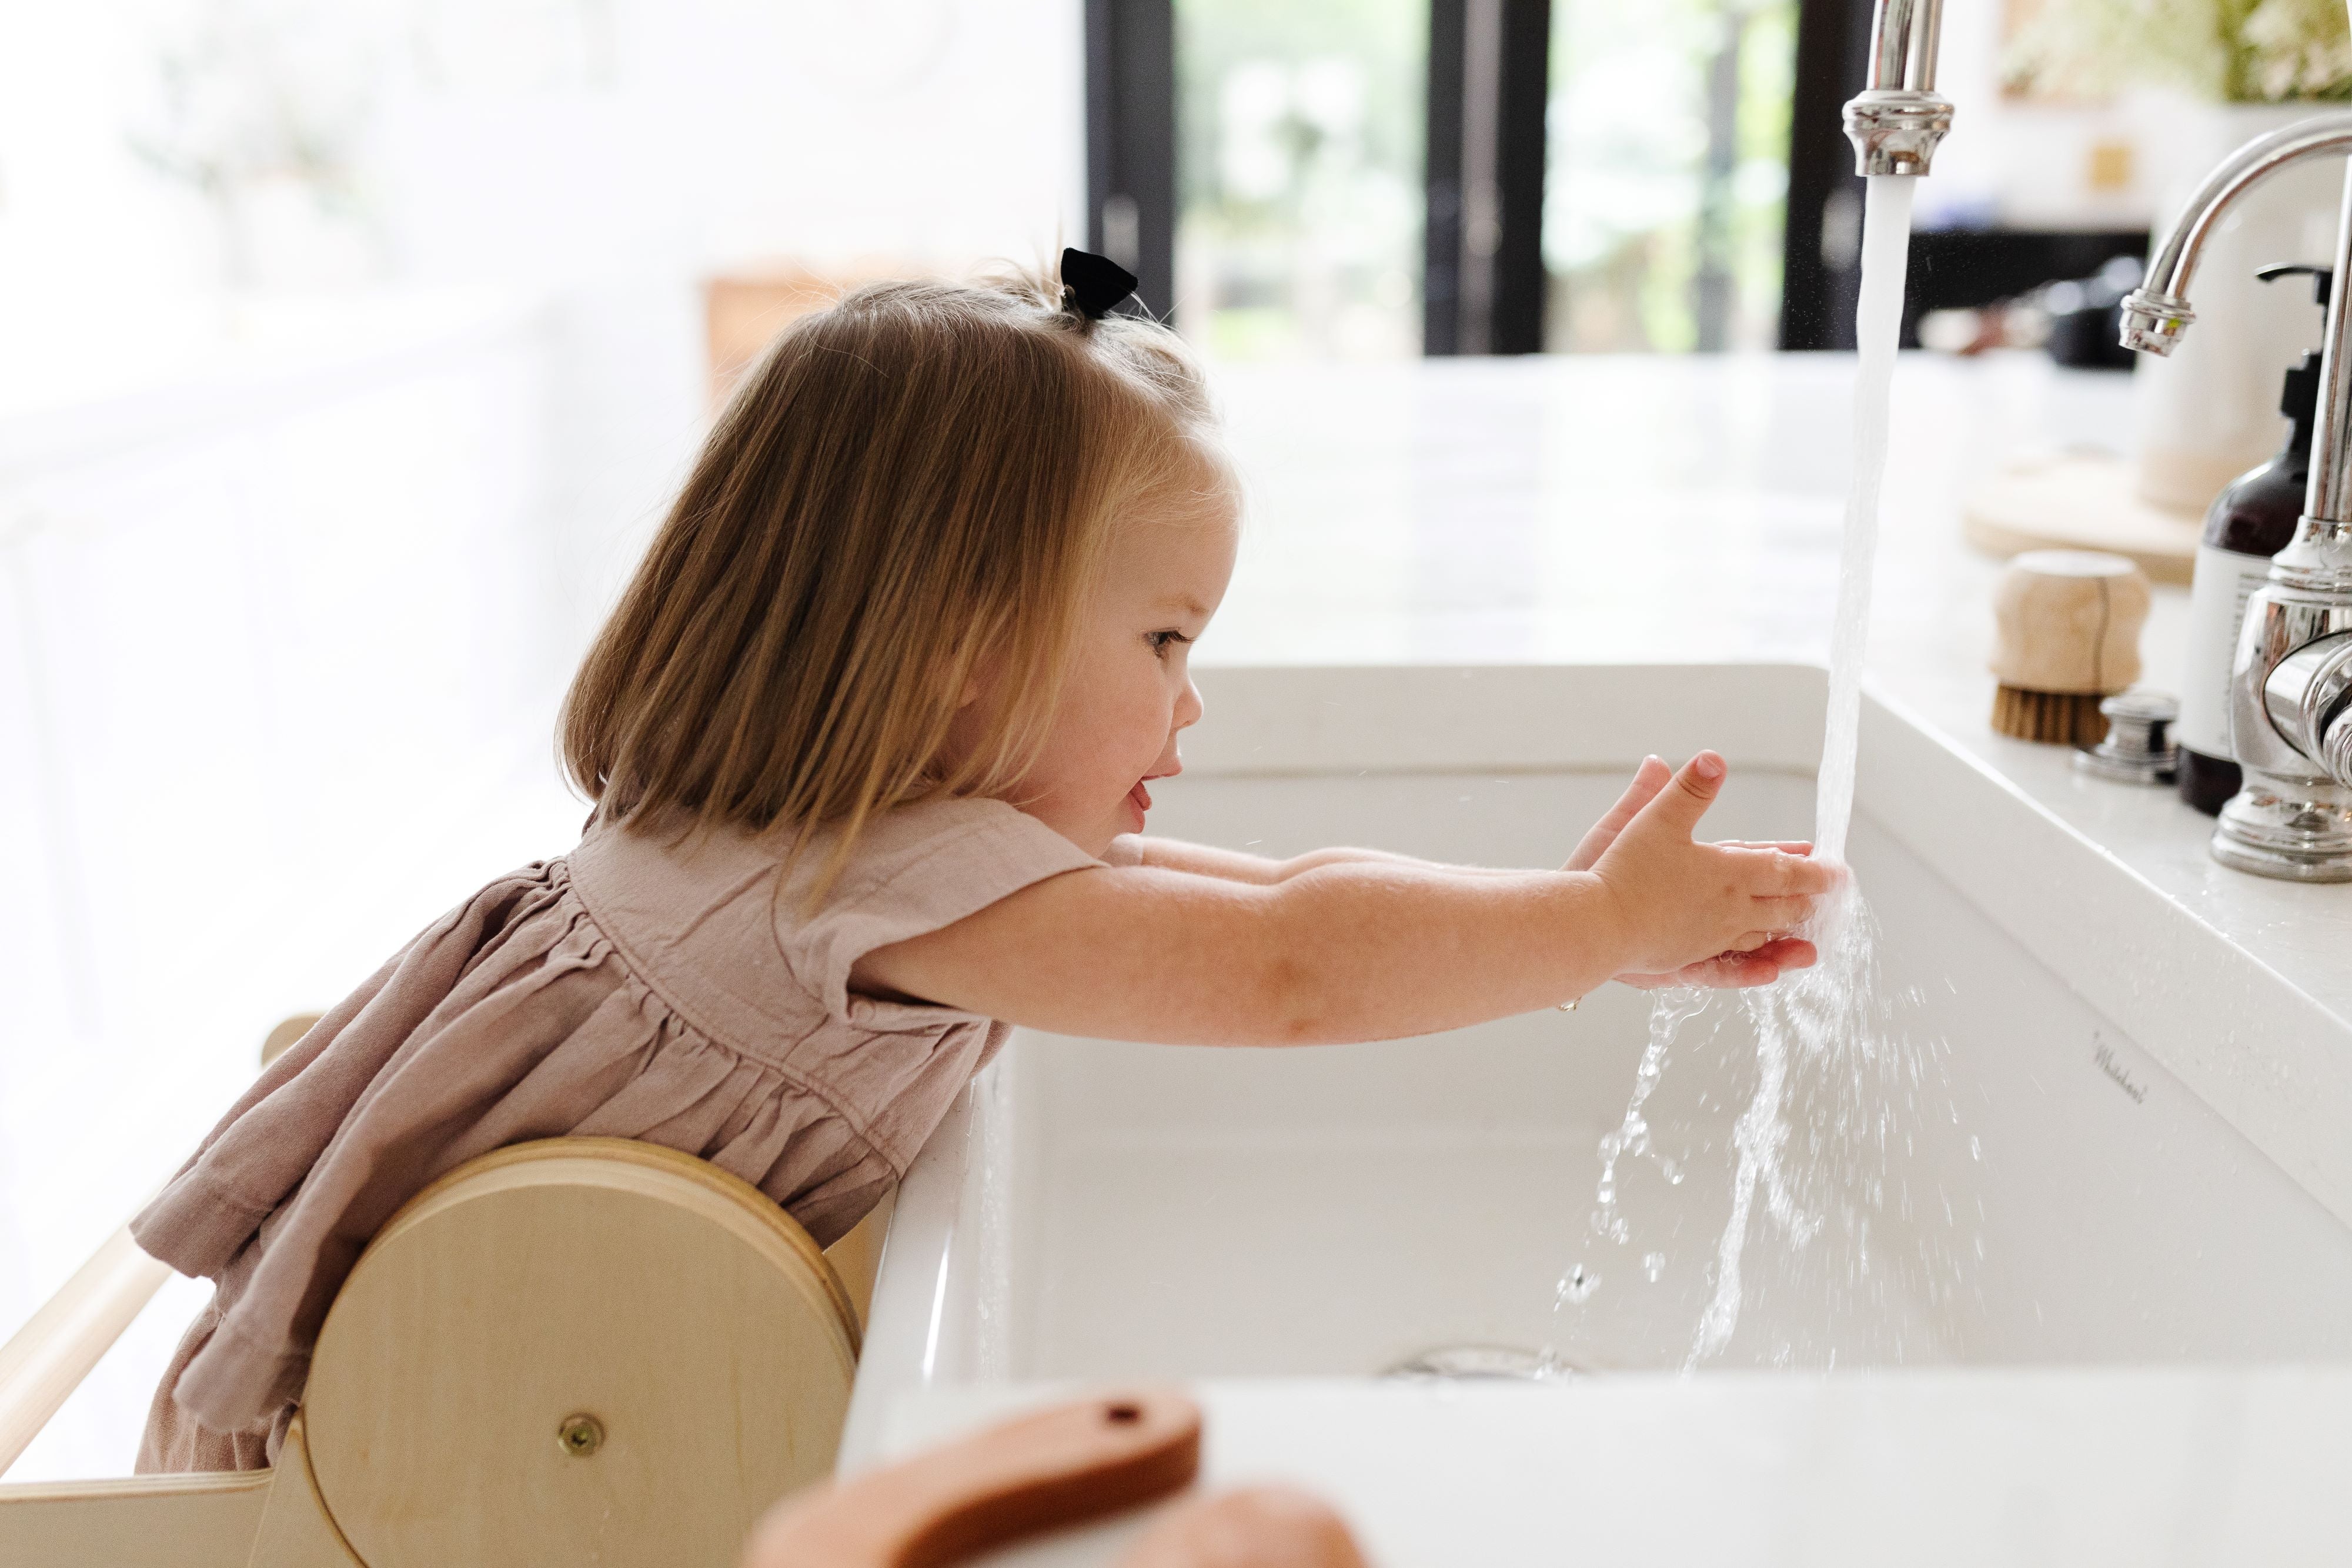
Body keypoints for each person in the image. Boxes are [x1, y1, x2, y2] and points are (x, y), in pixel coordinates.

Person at [132, 252, 1830, 1473]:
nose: (1192, 701)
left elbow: (1264, 894)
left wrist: (1576, 932)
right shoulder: (873, 892)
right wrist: (1589, 921)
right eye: (1164, 637)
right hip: (412, 1447)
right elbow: (1292, 970)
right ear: (965, 645)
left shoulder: (804, 828)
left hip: (419, 1387)